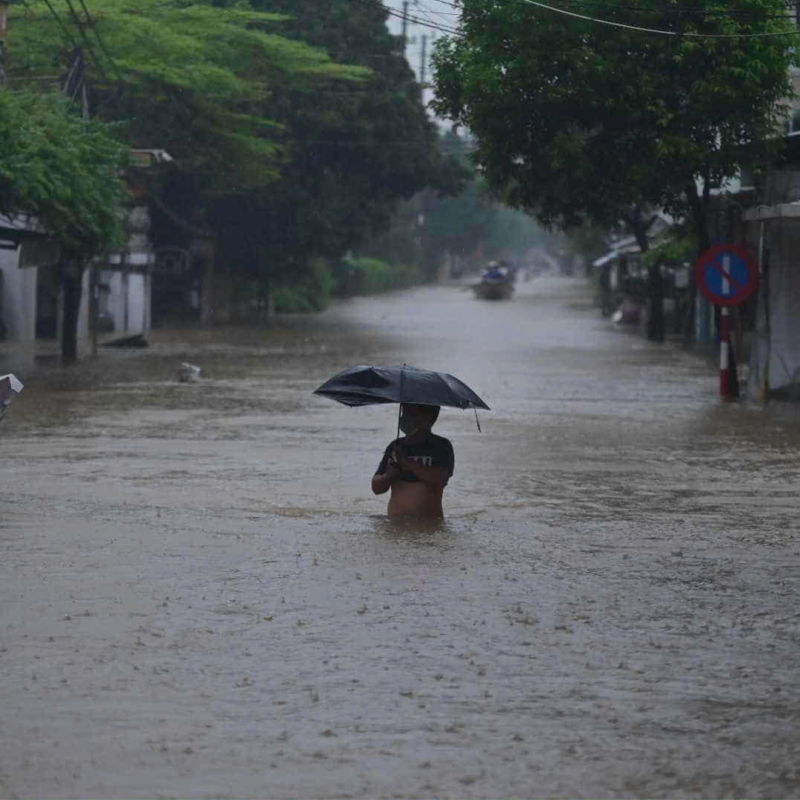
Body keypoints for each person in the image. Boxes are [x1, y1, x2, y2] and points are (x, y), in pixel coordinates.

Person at [371, 403, 454, 518]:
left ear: (428, 417)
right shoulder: (396, 446)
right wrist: (388, 476)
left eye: (411, 413)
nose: (404, 418)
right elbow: (376, 488)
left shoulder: (441, 446)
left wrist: (407, 462)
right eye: (404, 413)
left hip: (429, 526)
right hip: (395, 526)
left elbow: (439, 480)